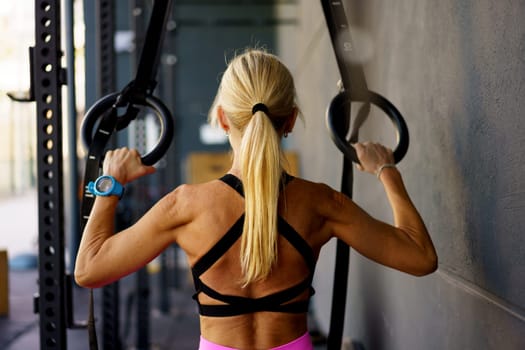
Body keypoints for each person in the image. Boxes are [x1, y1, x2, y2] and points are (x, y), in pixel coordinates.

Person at [75, 48, 437, 350]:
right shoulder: (320, 204)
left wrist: (110, 184)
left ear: (221, 119)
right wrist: (387, 170)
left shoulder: (185, 206)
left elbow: (89, 270)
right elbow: (419, 256)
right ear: (291, 120)